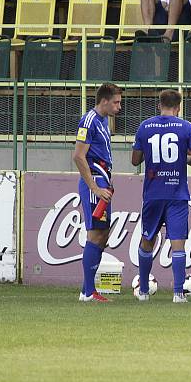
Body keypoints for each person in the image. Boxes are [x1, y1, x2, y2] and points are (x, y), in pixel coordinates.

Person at [131, 89, 191, 303]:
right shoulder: (185, 127)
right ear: (179, 107)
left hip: (153, 194)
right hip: (177, 193)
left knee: (147, 240)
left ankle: (144, 291)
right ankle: (177, 293)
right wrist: (182, 158)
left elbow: (135, 159)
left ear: (159, 105)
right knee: (178, 243)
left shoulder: (144, 126)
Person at [73, 83, 122, 302]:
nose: (119, 107)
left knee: (102, 234)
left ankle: (88, 289)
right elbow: (78, 156)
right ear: (104, 101)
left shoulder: (102, 121)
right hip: (95, 181)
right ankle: (87, 292)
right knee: (96, 234)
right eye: (116, 102)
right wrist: (94, 187)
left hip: (103, 180)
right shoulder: (89, 120)